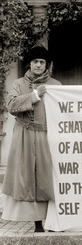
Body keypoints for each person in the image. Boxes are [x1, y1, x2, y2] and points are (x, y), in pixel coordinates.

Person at [1, 45, 62, 232]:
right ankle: (33, 221)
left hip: (46, 136)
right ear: (30, 63)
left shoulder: (56, 86)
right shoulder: (18, 84)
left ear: (47, 65)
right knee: (25, 177)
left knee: (46, 178)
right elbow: (11, 105)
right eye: (35, 61)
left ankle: (48, 220)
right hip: (24, 137)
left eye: (42, 62)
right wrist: (34, 95)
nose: (38, 65)